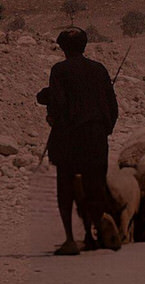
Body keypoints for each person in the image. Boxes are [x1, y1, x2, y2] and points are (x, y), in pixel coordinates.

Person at [36, 27, 119, 256]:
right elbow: (112, 107)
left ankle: (71, 240)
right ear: (85, 46)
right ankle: (95, 233)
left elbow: (60, 103)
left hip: (70, 138)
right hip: (96, 137)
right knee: (95, 185)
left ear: (62, 48)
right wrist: (104, 130)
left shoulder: (59, 70)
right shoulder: (99, 69)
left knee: (66, 187)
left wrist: (50, 111)